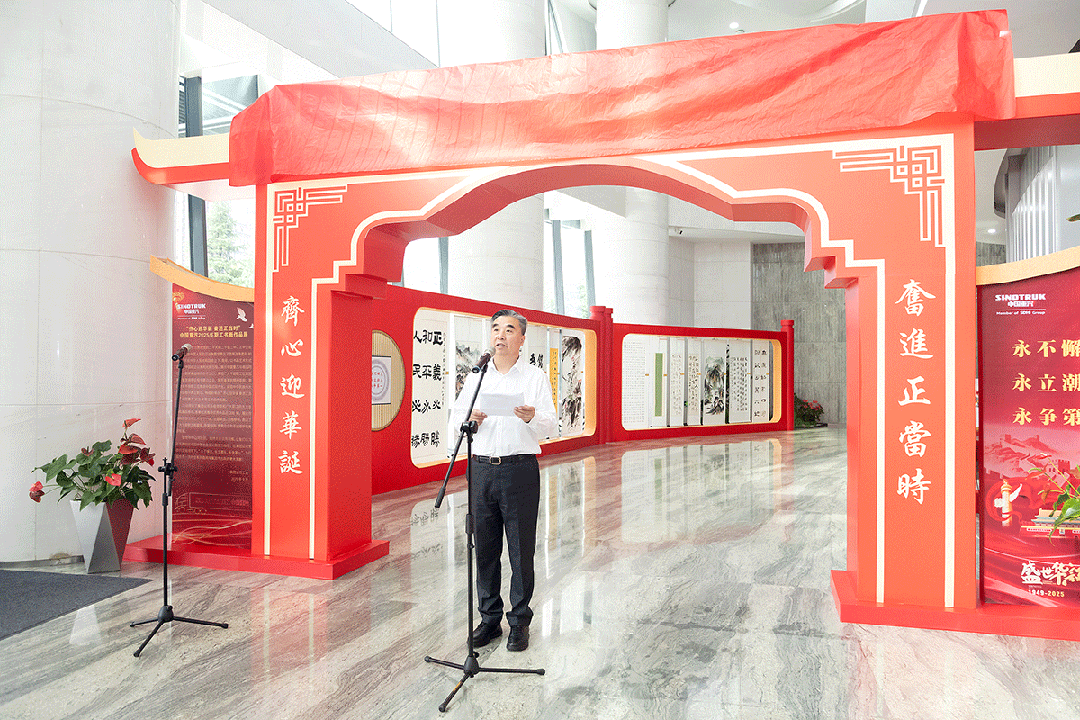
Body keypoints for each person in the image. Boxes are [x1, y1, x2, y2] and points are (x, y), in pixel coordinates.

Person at [448, 309, 557, 652]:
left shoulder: (534, 377)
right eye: (496, 328)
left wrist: (532, 417)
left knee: (520, 549)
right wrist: (470, 419)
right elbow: (456, 420)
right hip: (481, 469)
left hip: (519, 469)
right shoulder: (477, 376)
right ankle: (489, 619)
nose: (500, 335)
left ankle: (519, 621)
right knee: (485, 548)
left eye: (509, 330)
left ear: (522, 339)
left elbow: (551, 425)